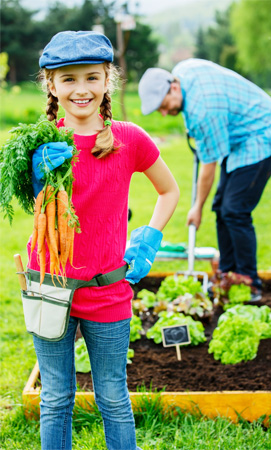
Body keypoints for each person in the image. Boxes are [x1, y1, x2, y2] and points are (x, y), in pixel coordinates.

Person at [28, 30, 179, 450]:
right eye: (69, 79)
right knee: (56, 397)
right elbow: (22, 201)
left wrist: (148, 238)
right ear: (51, 84)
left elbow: (169, 190)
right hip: (50, 285)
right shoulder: (37, 141)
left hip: (108, 288)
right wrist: (37, 175)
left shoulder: (129, 139)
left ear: (107, 80)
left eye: (92, 77)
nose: (81, 89)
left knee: (113, 395)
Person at [138, 59, 271, 298]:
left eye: (163, 105)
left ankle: (249, 281)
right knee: (222, 207)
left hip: (264, 133)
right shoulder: (182, 72)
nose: (165, 113)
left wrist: (196, 207)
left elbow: (209, 167)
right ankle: (227, 273)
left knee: (236, 210)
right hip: (239, 138)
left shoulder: (204, 110)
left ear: (173, 88)